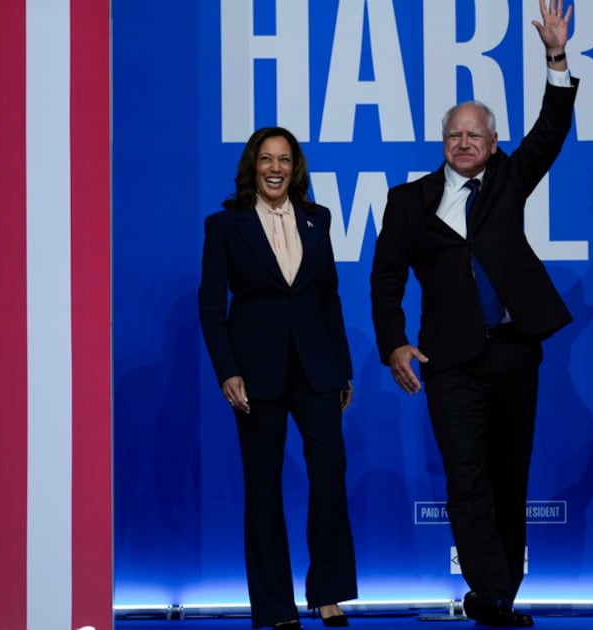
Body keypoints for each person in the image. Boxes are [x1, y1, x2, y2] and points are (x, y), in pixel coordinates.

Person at [369, 1, 576, 626]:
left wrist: (556, 56)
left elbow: (552, 128)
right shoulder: (408, 201)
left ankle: (499, 594)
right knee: (466, 478)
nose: (463, 143)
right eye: (453, 135)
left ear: (493, 144)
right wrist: (393, 343)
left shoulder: (509, 180)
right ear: (443, 143)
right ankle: (490, 592)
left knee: (509, 477)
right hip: (450, 360)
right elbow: (385, 278)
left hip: (513, 350)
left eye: (474, 135)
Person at [199, 126, 357, 629]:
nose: (275, 168)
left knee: (329, 474)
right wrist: (228, 370)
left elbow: (329, 295)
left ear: (295, 168)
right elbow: (211, 306)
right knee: (263, 487)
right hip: (255, 373)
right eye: (266, 159)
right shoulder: (225, 225)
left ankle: (328, 592)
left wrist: (343, 368)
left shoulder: (318, 218)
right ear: (254, 165)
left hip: (317, 369)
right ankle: (275, 606)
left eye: (284, 160)